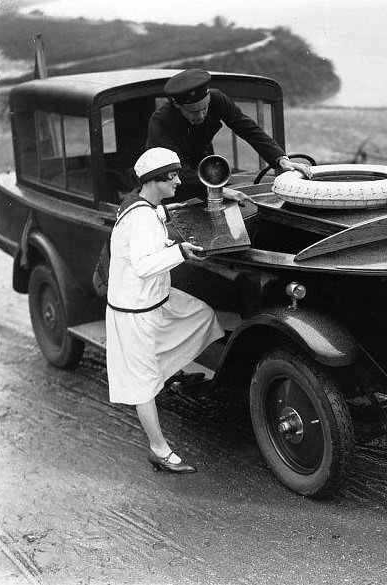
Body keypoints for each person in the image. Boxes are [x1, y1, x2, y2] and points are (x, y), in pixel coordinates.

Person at [106, 147, 225, 474]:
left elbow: (155, 218)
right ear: (154, 181)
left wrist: (178, 215)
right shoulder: (142, 217)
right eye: (171, 177)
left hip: (156, 299)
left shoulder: (141, 204)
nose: (177, 181)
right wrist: (182, 251)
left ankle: (168, 375)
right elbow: (144, 266)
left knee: (203, 317)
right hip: (136, 310)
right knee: (142, 385)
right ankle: (159, 449)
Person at [146, 68, 312, 203]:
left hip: (206, 171)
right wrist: (218, 190)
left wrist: (281, 159)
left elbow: (247, 128)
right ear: (176, 104)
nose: (201, 116)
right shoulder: (160, 121)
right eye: (193, 112)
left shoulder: (217, 99)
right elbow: (173, 169)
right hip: (169, 185)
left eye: (205, 109)